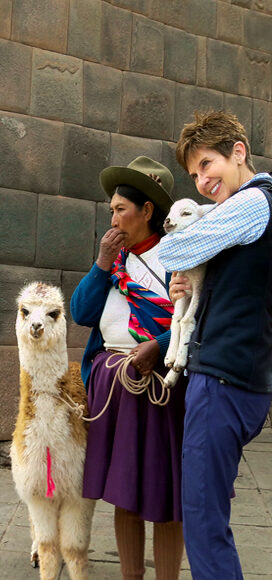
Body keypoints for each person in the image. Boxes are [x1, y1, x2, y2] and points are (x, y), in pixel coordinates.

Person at [158, 111, 272, 580]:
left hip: (224, 382)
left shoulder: (253, 203)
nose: (203, 181)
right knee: (207, 518)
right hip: (235, 375)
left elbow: (170, 251)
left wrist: (186, 256)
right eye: (195, 175)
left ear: (238, 153)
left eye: (208, 165)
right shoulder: (244, 210)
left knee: (204, 524)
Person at [70, 157, 186, 580]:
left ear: (148, 211)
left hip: (162, 388)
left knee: (166, 493)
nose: (114, 217)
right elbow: (81, 312)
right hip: (113, 385)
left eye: (121, 209)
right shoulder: (115, 264)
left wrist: (160, 345)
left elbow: (198, 320)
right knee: (125, 493)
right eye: (112, 209)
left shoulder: (179, 257)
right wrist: (102, 262)